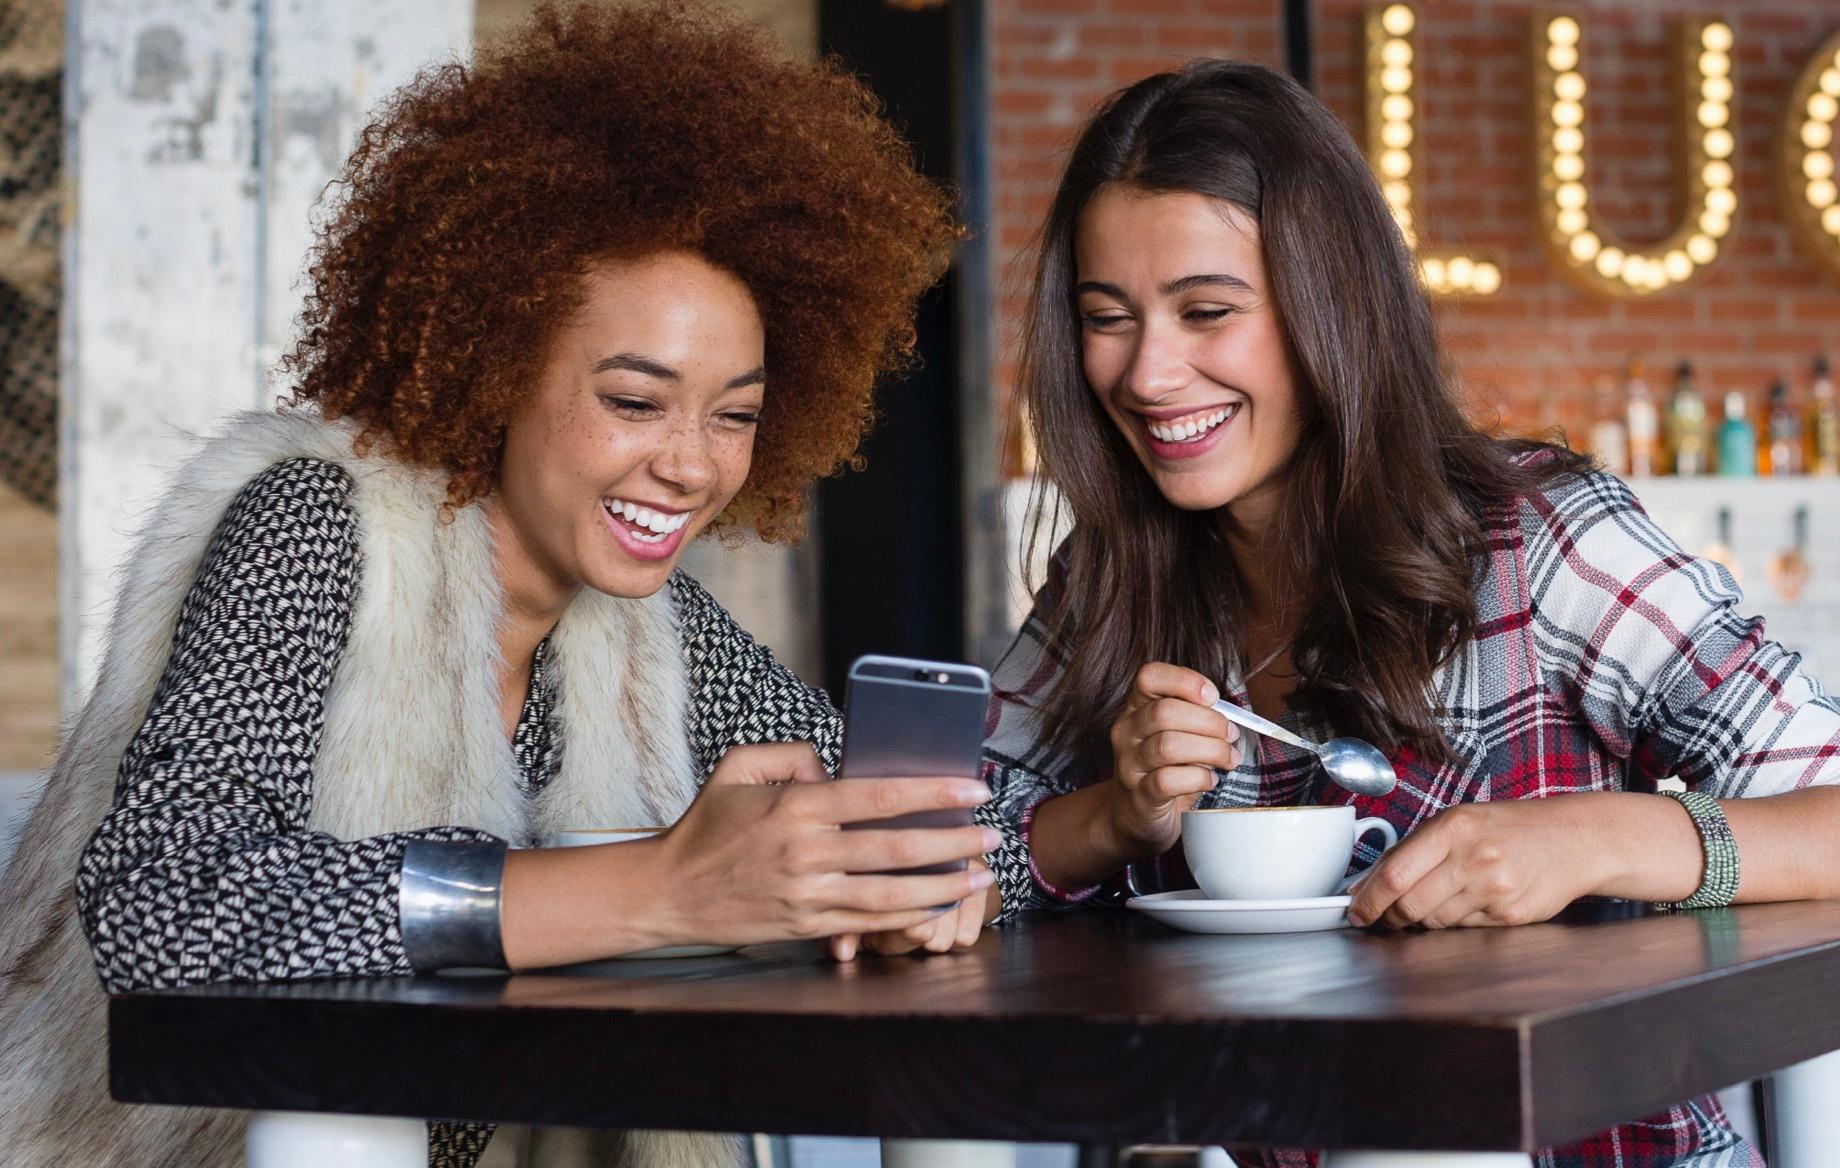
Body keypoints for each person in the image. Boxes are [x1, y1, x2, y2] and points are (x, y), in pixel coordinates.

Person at [0, 5, 1020, 1166]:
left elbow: (970, 835)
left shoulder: (653, 624)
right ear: (493, 363)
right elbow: (161, 900)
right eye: (633, 402)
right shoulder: (316, 530)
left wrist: (964, 857)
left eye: (734, 416)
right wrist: (665, 889)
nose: (692, 465)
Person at [984, 58, 1840, 1168]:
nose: (1148, 374)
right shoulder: (1113, 579)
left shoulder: (1540, 543)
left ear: (1326, 302)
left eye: (1206, 311)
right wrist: (1109, 818)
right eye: (1108, 318)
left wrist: (1602, 837)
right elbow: (923, 858)